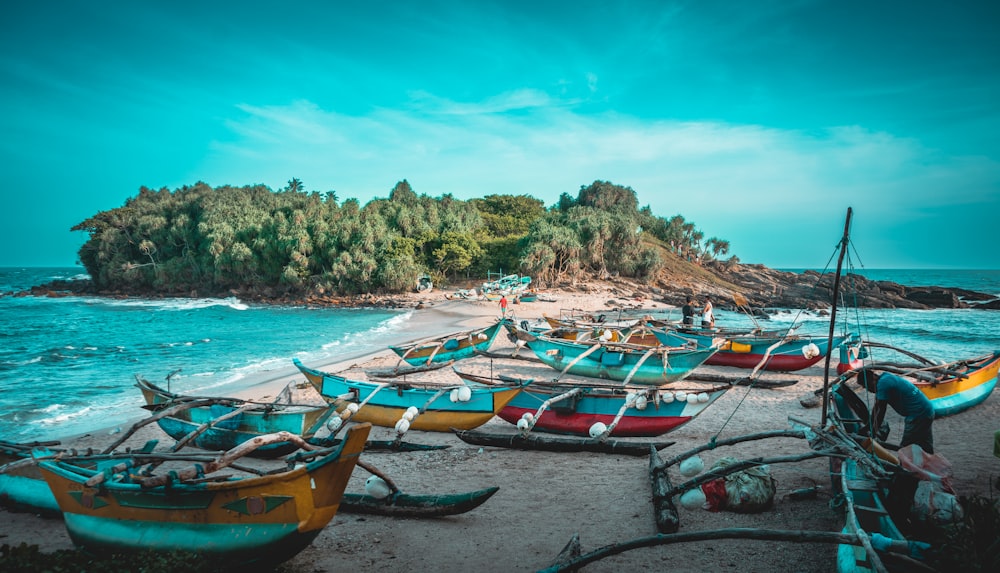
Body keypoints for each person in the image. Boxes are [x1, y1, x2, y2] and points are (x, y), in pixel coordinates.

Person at [857, 368, 935, 454]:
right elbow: (876, 407)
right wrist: (868, 427)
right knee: (925, 444)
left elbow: (881, 412)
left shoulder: (883, 384)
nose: (868, 390)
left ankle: (904, 467)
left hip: (918, 414)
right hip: (927, 409)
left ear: (873, 378)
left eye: (867, 386)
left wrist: (873, 433)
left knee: (905, 448)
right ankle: (931, 464)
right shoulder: (885, 377)